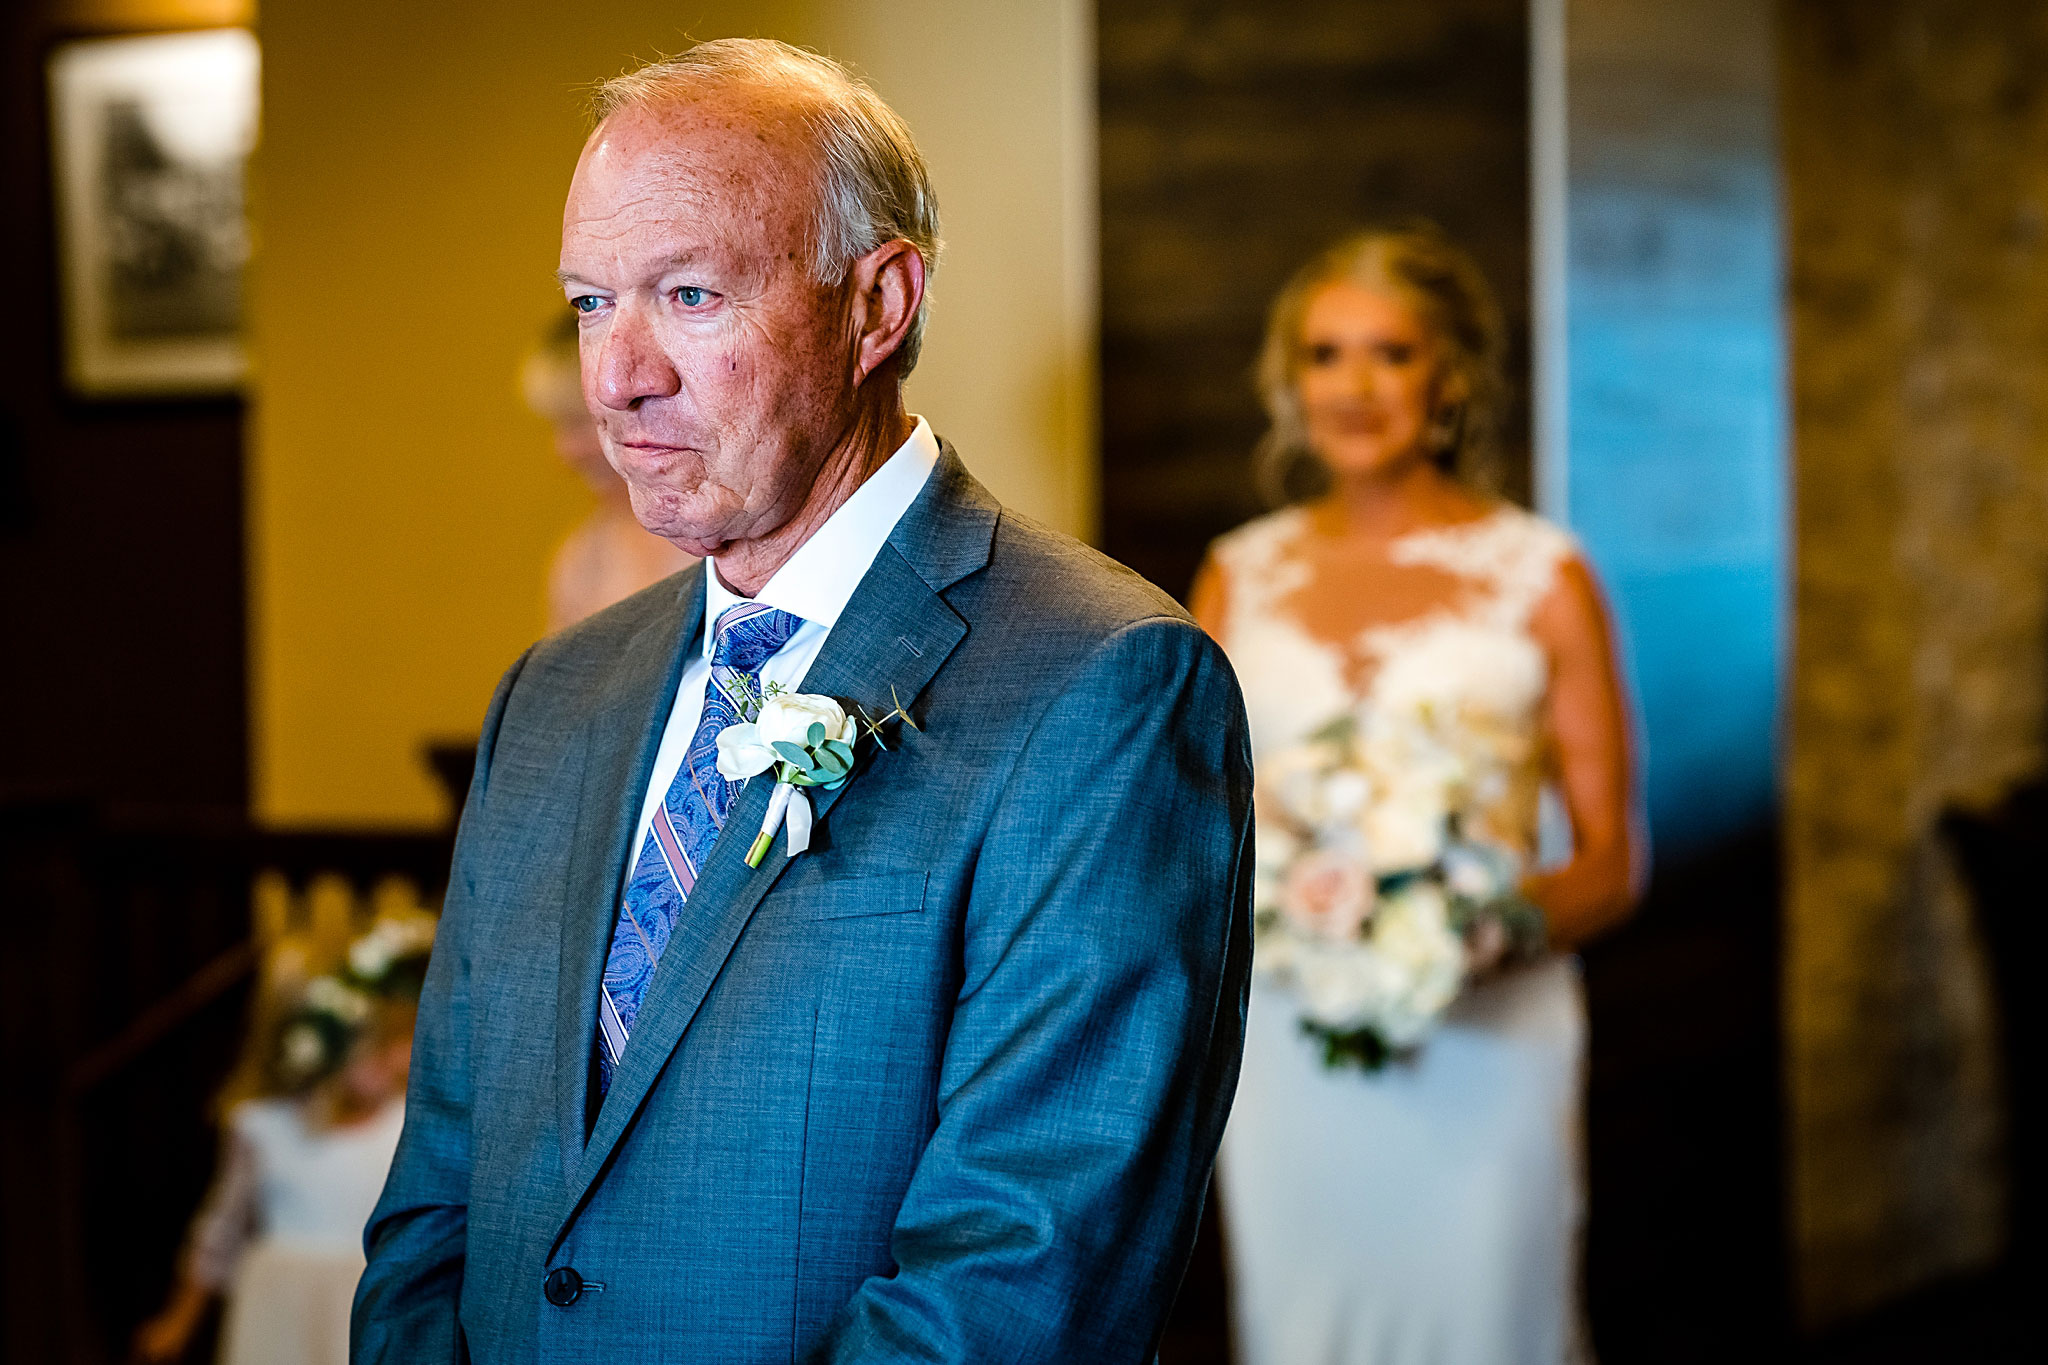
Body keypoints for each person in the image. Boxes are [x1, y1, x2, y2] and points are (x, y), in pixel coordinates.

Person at [353, 38, 1253, 1365]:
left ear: (877, 304)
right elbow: (439, 1201)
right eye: (595, 303)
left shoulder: (1105, 684)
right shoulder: (552, 697)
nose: (619, 375)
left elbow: (1022, 1281)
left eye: (692, 294)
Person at [1191, 226, 1643, 1365]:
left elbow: (1609, 857)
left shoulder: (1542, 574)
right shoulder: (1236, 574)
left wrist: (1483, 933)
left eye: (1389, 354)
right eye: (1325, 354)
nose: (1354, 386)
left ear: (1445, 379)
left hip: (1484, 1043)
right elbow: (1197, 829)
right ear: (1291, 382)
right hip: (1290, 1052)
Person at [133, 918, 433, 1365]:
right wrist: (180, 1319)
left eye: (401, 1044)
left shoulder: (406, 1128)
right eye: (378, 1046)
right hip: (277, 1307)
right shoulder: (262, 1128)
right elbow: (222, 1230)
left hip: (358, 1299)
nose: (397, 1059)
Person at [522, 314, 696, 631]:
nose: (566, 452)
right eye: (558, 426)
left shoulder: (723, 534)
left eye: (580, 421)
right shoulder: (583, 563)